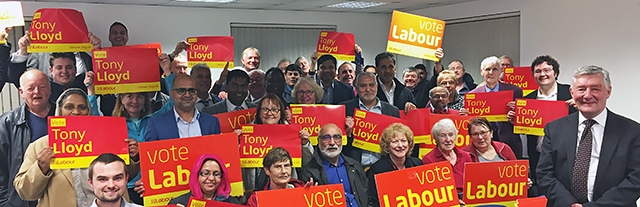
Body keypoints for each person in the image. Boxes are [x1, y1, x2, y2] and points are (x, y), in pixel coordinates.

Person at [537, 66, 640, 207]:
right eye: (581, 89)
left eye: (595, 89)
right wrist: (570, 204)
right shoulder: (554, 129)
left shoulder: (632, 131)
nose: (587, 95)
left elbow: (636, 179)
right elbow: (544, 174)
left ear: (608, 92)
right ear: (572, 92)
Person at [14, 88, 129, 207]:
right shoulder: (40, 146)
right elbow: (25, 192)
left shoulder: (107, 140)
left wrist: (133, 157)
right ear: (60, 111)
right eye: (69, 107)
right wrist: (40, 168)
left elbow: (124, 177)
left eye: (82, 107)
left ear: (88, 111)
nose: (76, 112)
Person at [0, 70, 55, 207]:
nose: (37, 92)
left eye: (42, 87)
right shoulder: (7, 123)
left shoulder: (64, 116)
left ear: (49, 89)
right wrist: (6, 202)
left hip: (57, 195)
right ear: (21, 92)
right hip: (21, 200)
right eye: (30, 88)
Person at [245, 94, 309, 193]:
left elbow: (307, 161)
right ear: (259, 113)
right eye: (265, 109)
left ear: (281, 113)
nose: (270, 113)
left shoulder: (292, 132)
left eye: (274, 109)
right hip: (254, 190)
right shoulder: (248, 135)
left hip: (286, 189)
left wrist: (305, 144)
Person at [299, 123, 368, 207]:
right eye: (326, 138)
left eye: (336, 137)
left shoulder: (355, 165)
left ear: (342, 140)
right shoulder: (309, 171)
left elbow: (368, 196)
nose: (332, 142)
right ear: (318, 141)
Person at [468, 56, 524, 158]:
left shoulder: (515, 91)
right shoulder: (473, 95)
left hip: (510, 144)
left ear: (500, 71)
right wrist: (465, 116)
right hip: (481, 145)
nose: (491, 72)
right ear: (482, 72)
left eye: (494, 69)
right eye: (487, 69)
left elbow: (523, 122)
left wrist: (517, 114)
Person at [342, 72, 402, 165]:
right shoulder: (345, 109)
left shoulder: (393, 111)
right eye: (363, 86)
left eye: (371, 85)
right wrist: (347, 133)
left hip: (384, 166)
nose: (368, 89)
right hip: (354, 167)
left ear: (377, 86)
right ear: (356, 88)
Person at [145, 75, 221, 141]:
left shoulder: (212, 123)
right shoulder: (156, 124)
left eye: (191, 90)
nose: (187, 95)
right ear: (172, 94)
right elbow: (150, 155)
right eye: (181, 91)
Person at [367, 123, 422, 206]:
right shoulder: (377, 170)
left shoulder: (418, 164)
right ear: (387, 146)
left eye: (403, 141)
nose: (400, 145)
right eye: (395, 142)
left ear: (409, 143)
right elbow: (374, 201)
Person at [246, 147, 313, 207]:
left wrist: (312, 198)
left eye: (286, 166)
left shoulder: (303, 193)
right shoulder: (256, 200)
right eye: (278, 167)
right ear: (267, 170)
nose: (283, 171)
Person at [422, 118, 473, 196]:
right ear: (436, 139)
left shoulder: (466, 156)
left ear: (456, 136)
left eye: (451, 135)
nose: (448, 139)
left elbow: (472, 183)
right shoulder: (428, 160)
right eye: (443, 136)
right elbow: (432, 192)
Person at [168, 154, 240, 205]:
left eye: (216, 174)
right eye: (206, 173)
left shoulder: (233, 203)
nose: (211, 178)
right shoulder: (178, 203)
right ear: (196, 175)